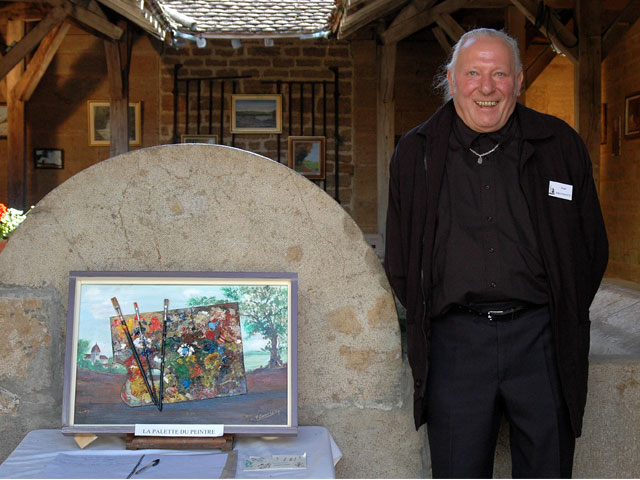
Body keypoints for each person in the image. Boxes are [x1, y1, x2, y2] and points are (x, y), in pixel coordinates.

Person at [384, 28, 608, 478]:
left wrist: (559, 311)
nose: (486, 88)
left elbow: (591, 248)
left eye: (499, 74)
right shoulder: (416, 153)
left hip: (541, 341)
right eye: (473, 73)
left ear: (519, 81)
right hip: (456, 347)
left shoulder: (559, 146)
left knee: (548, 469)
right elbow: (401, 259)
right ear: (451, 80)